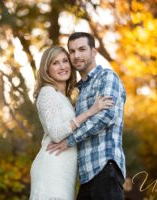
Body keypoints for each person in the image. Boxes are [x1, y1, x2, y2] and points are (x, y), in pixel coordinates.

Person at [47, 32, 126, 200]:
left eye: (82, 49)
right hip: (86, 175)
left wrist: (69, 141)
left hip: (105, 166)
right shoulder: (80, 91)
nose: (76, 55)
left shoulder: (107, 77)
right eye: (72, 51)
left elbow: (105, 116)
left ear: (94, 52)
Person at [29, 46, 114, 200]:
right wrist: (90, 112)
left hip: (65, 171)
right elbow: (56, 134)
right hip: (52, 166)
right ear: (46, 69)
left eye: (65, 61)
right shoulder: (47, 92)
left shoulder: (65, 98)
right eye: (55, 63)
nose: (62, 66)